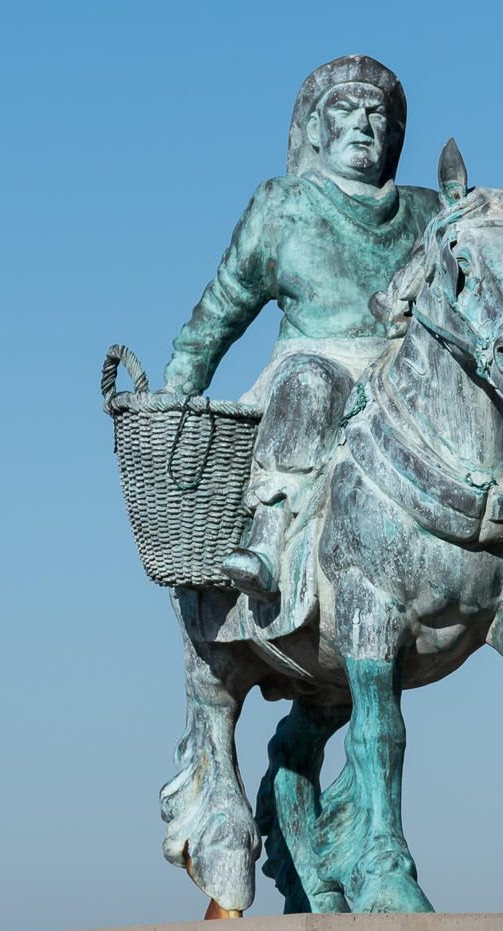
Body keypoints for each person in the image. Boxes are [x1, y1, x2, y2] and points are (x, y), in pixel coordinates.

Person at [162, 55, 442, 604]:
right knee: (311, 382)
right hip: (313, 370)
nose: (362, 124)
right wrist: (178, 385)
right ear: (315, 129)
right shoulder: (282, 203)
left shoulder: (428, 213)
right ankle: (267, 540)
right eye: (345, 109)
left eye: (376, 113)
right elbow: (225, 304)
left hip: (404, 380)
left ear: (393, 134)